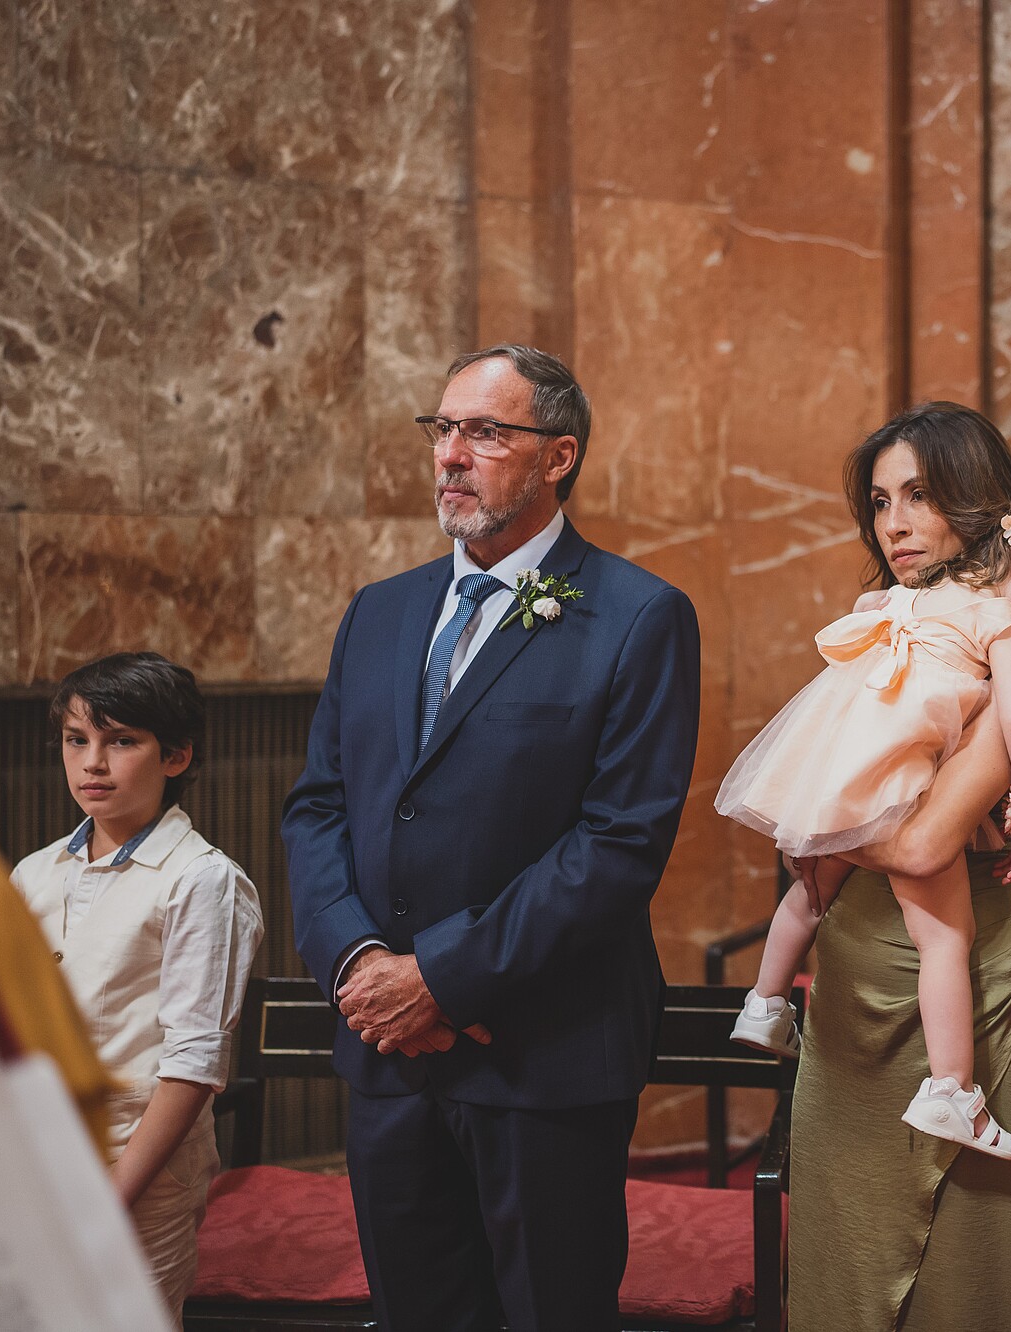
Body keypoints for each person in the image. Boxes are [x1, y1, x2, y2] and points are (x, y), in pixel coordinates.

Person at [281, 344, 700, 1331]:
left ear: (559, 457)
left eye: (484, 432)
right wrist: (362, 965)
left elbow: (616, 844)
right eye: (442, 430)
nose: (451, 457)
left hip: (544, 1054)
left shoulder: (638, 617)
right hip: (387, 1051)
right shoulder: (379, 615)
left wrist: (445, 979)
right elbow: (317, 807)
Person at [786, 402, 1011, 1330]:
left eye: (920, 495)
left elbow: (916, 844)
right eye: (880, 502)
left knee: (973, 1285)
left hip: (964, 1002)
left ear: (979, 500)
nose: (896, 523)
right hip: (850, 995)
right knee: (844, 1263)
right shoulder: (897, 633)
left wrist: (815, 826)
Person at [719, 492, 1011, 1158]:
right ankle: (951, 1092)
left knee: (810, 891)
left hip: (844, 765)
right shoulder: (1001, 626)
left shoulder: (912, 597)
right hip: (902, 781)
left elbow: (860, 628)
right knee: (944, 937)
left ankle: (763, 1005)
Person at [11, 652, 265, 1317]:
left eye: (121, 740)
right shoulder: (33, 874)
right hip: (36, 1158)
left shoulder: (200, 880)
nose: (93, 762)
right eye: (77, 740)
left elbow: (191, 1066)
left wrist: (110, 1198)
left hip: (138, 1170)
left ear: (176, 756)